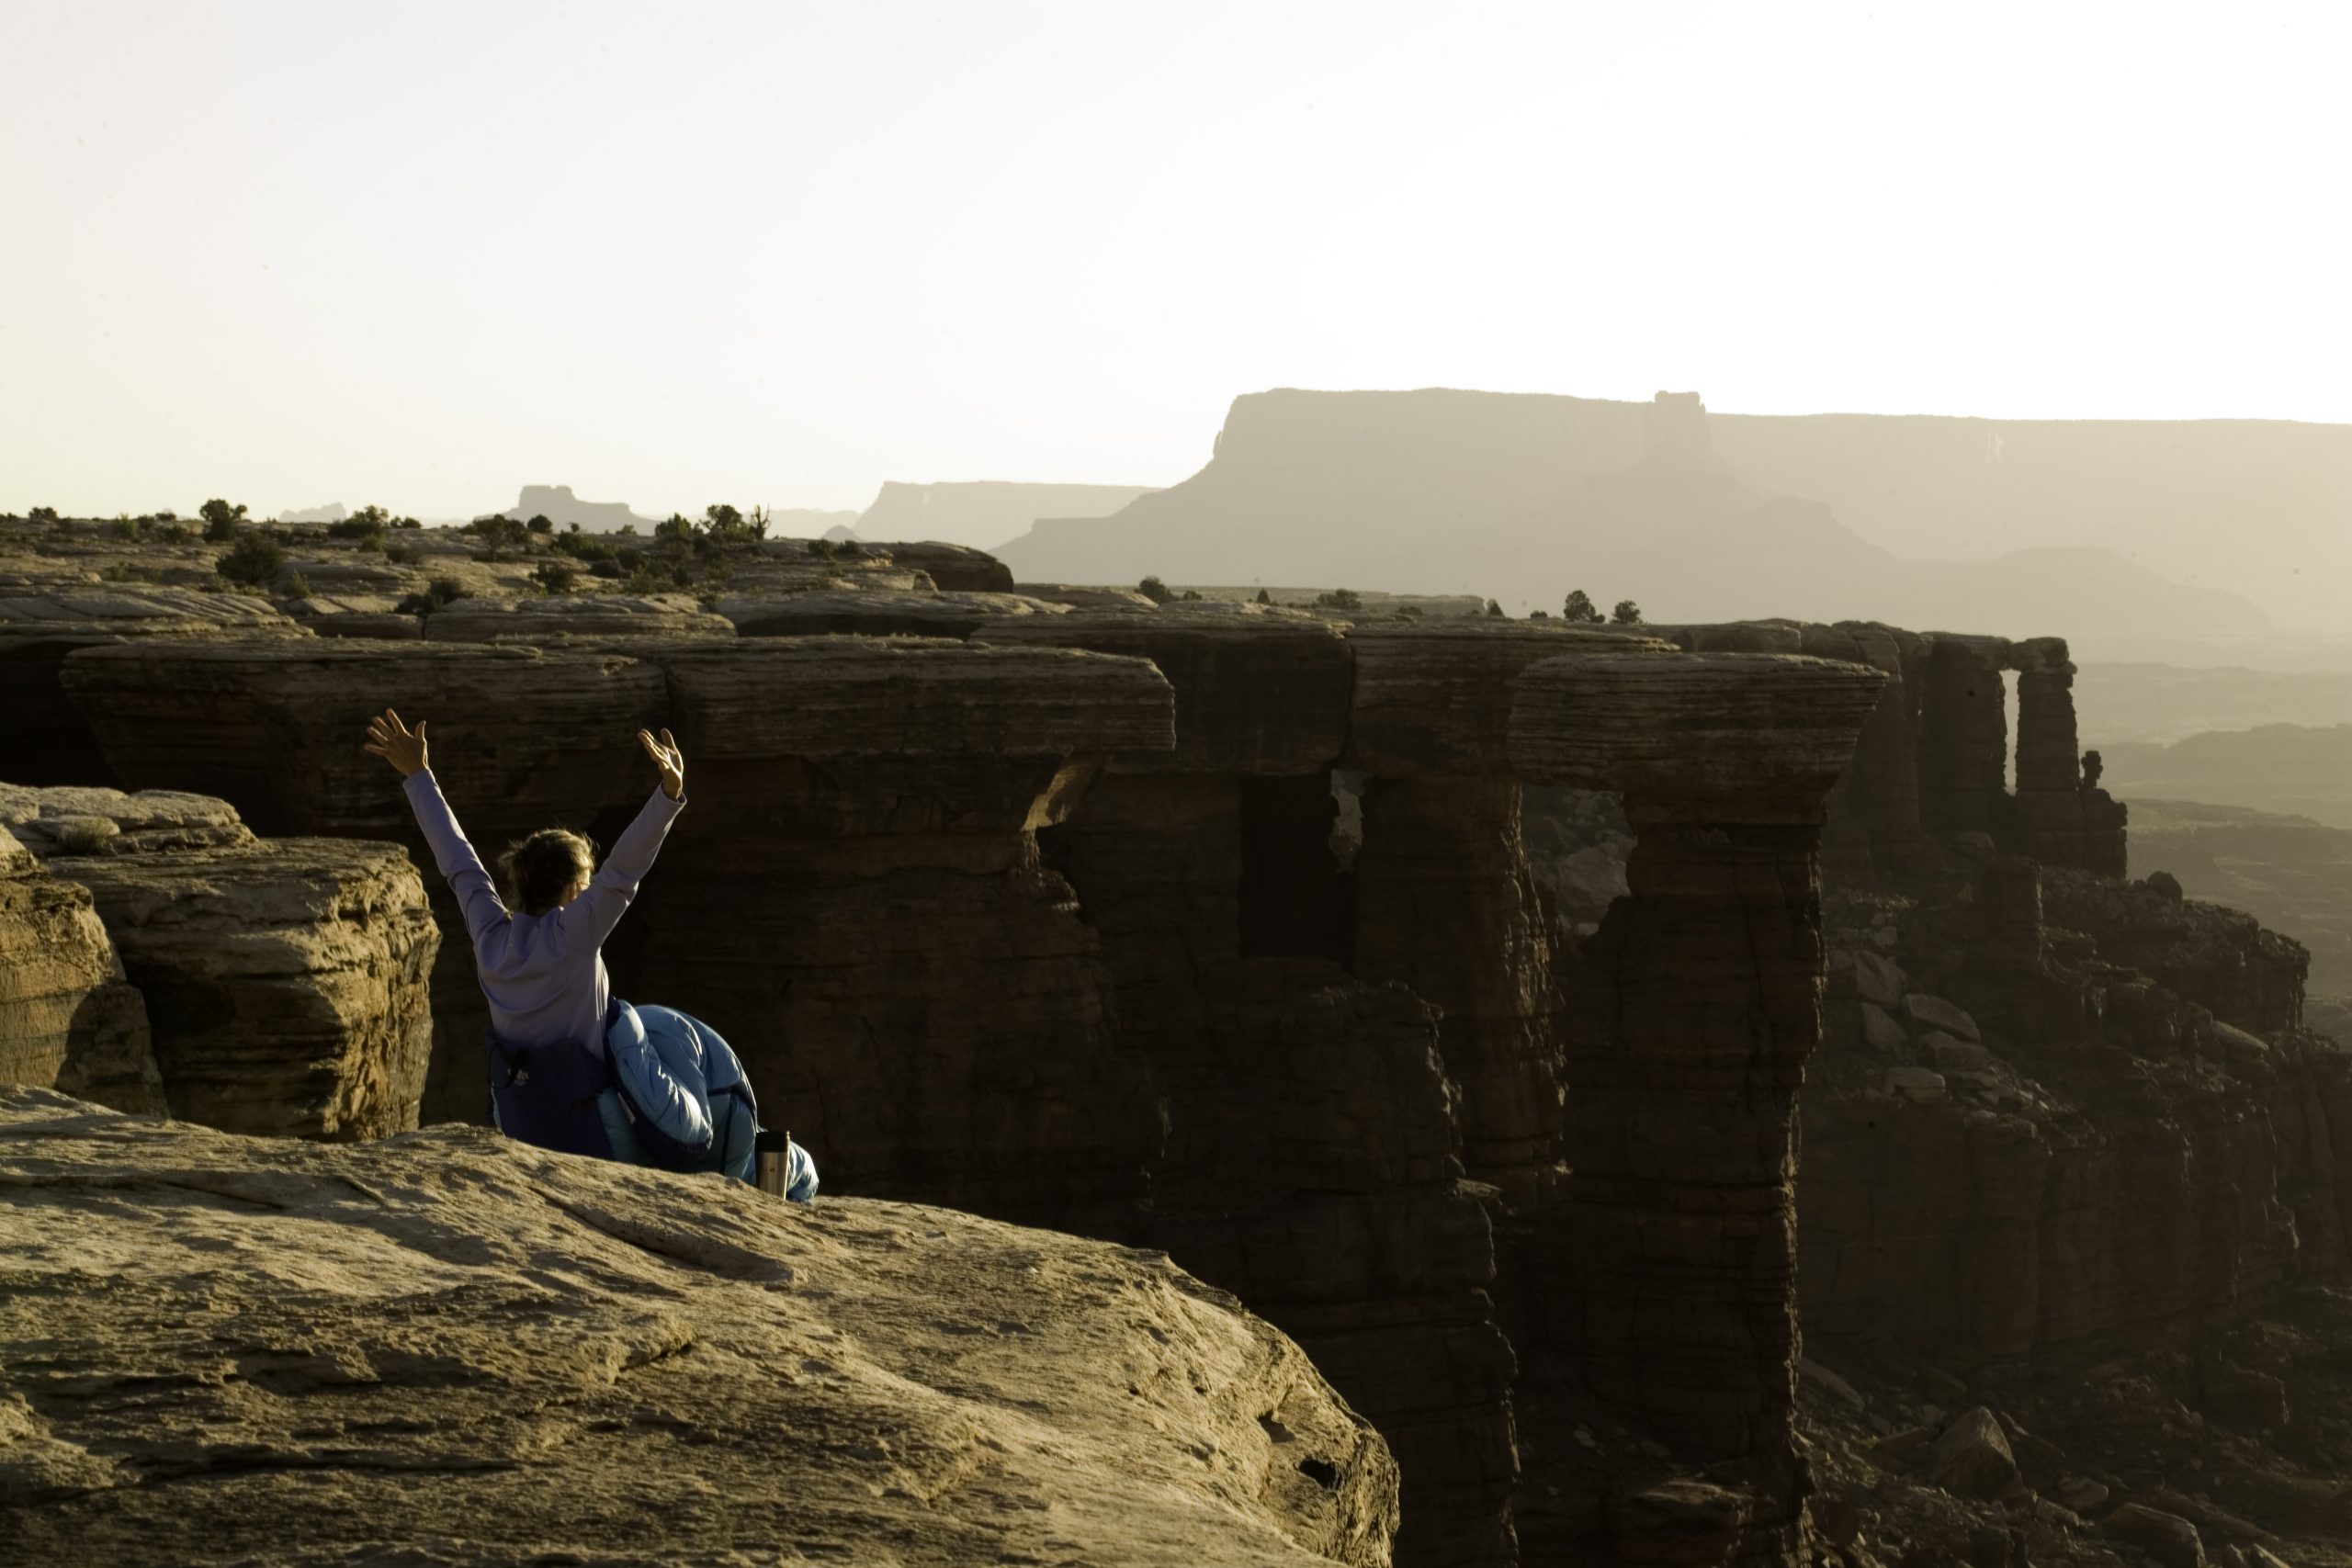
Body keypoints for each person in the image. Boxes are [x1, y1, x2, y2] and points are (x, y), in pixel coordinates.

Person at [364, 709, 815, 1200]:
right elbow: (624, 871)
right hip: (599, 1137)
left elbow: (459, 862)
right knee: (767, 1143)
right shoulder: (574, 934)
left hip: (528, 1130)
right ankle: (785, 1180)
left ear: (518, 882)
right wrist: (668, 795)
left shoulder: (491, 938)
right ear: (576, 888)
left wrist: (419, 777)